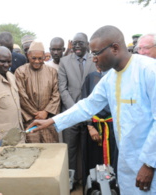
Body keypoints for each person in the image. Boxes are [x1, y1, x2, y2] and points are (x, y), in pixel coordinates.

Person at [28, 25, 156, 195]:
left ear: (115, 48)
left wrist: (149, 164)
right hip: (127, 162)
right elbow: (87, 106)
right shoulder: (110, 77)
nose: (93, 59)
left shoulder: (149, 70)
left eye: (96, 53)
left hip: (150, 163)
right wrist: (52, 121)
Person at [58, 32, 96, 187]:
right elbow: (63, 88)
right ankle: (71, 182)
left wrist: (86, 111)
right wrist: (76, 110)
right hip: (71, 113)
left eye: (81, 43)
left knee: (88, 150)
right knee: (71, 150)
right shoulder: (64, 61)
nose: (77, 46)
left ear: (87, 44)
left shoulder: (95, 60)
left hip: (91, 115)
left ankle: (89, 181)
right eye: (74, 43)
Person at [15, 41, 60, 143]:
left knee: (51, 152)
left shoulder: (52, 72)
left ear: (44, 57)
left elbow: (56, 94)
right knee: (33, 151)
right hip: (30, 120)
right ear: (28, 56)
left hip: (47, 120)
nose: (37, 61)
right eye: (34, 58)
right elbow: (21, 96)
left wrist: (46, 112)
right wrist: (36, 114)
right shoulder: (20, 71)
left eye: (40, 58)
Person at [82, 65, 118, 186]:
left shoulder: (118, 76)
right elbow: (84, 102)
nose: (97, 59)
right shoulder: (90, 78)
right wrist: (90, 126)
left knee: (115, 160)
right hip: (95, 126)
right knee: (94, 161)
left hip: (114, 127)